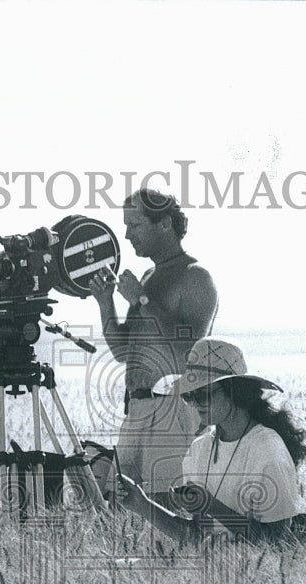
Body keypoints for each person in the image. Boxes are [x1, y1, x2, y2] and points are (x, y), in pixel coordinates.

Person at [117, 337, 306, 544]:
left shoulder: (267, 449)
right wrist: (142, 504)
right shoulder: (200, 448)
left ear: (234, 391)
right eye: (189, 396)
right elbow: (197, 536)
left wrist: (211, 506)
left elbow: (277, 540)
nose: (194, 404)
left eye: (202, 394)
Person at [89, 189, 219, 503]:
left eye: (135, 225)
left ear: (164, 224)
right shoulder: (147, 276)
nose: (126, 234)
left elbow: (189, 347)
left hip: (173, 409)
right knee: (118, 503)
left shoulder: (196, 276)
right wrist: (106, 303)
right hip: (137, 407)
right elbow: (123, 353)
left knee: (165, 504)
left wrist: (142, 300)